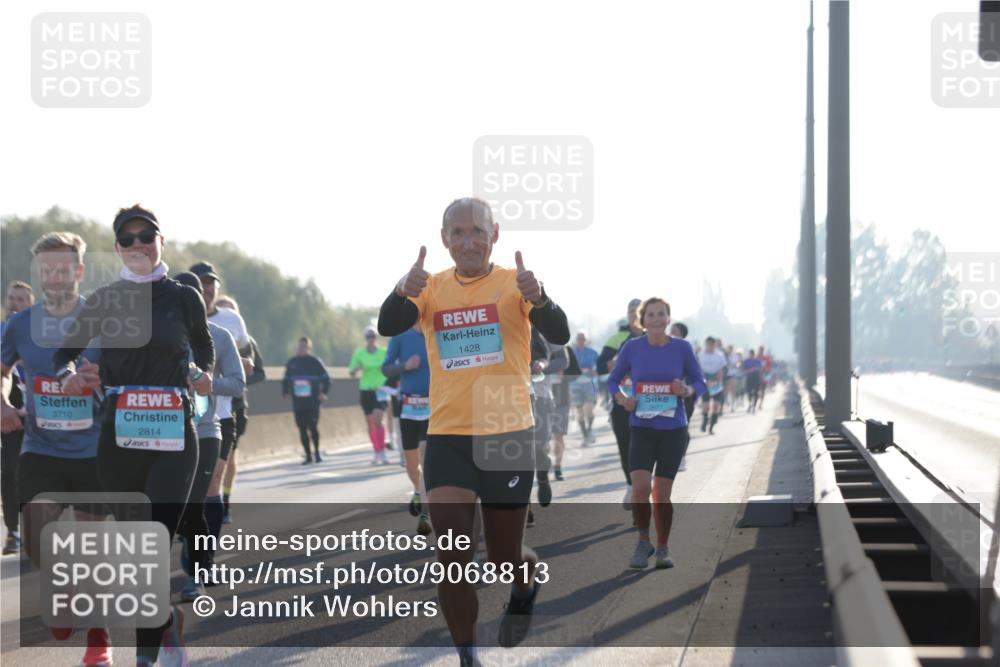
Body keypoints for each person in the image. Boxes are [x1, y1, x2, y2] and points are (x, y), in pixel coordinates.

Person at [377, 197, 569, 663]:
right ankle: (467, 654)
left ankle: (524, 586)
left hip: (506, 433)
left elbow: (559, 332)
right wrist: (401, 288)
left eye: (477, 231)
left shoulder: (514, 283)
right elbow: (387, 325)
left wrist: (540, 296)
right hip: (447, 437)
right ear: (444, 239)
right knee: (453, 557)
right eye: (457, 233)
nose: (468, 241)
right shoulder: (430, 288)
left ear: (495, 234)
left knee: (505, 559)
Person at [55, 205, 214, 666]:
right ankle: (165, 623)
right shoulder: (104, 299)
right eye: (127, 239)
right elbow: (65, 354)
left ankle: (145, 657)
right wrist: (72, 376)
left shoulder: (184, 297)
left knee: (151, 542)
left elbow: (203, 349)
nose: (138, 244)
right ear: (118, 248)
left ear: (161, 242)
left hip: (174, 434)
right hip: (120, 435)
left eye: (147, 236)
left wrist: (202, 374)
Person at [1, 236, 112, 666]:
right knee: (34, 530)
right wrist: (3, 402)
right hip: (41, 448)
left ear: (79, 272)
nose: (54, 278)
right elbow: (2, 370)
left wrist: (101, 377)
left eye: (63, 270)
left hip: (93, 452)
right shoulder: (21, 324)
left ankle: (99, 640)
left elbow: (126, 369)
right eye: (46, 270)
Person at [607, 297, 704, 570]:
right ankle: (642, 541)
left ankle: (663, 547)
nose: (656, 319)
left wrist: (686, 391)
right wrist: (623, 399)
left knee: (661, 493)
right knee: (640, 487)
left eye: (661, 314)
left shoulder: (682, 348)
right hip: (642, 427)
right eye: (650, 315)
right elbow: (613, 380)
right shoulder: (632, 347)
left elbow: (700, 381)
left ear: (668, 318)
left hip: (673, 430)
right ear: (642, 320)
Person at [171, 272, 245, 602]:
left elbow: (238, 384)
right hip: (159, 433)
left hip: (204, 430)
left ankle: (196, 575)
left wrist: (207, 383)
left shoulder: (220, 336)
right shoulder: (158, 337)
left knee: (198, 500)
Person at [189, 262, 255, 536]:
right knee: (189, 488)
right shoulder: (171, 323)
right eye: (200, 285)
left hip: (221, 415)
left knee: (213, 480)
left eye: (210, 285)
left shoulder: (228, 324)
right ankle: (191, 532)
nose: (206, 290)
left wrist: (237, 366)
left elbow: (246, 359)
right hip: (177, 417)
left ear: (216, 288)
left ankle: (205, 555)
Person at [213, 296, 265, 524]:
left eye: (231, 313)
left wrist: (240, 376)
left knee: (229, 456)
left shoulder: (247, 342)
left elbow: (260, 372)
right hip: (212, 402)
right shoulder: (209, 335)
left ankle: (224, 501)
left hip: (236, 404)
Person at [382, 323, 432, 535]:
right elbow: (386, 368)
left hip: (433, 404)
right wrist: (405, 366)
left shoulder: (435, 331)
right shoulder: (400, 337)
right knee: (411, 464)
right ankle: (418, 491)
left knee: (424, 454)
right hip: (409, 406)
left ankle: (426, 514)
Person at [596, 299, 643, 510]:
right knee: (626, 449)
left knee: (646, 449)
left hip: (651, 403)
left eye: (638, 310)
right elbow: (600, 365)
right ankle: (631, 486)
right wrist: (619, 364)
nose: (634, 314)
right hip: (622, 401)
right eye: (631, 311)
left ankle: (643, 489)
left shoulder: (655, 338)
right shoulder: (618, 338)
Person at [1, 280, 33, 555]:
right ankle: (13, 531)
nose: (15, 303)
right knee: (9, 472)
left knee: (31, 472)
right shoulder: (1, 332)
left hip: (38, 410)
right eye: (12, 298)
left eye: (21, 299)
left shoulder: (38, 333)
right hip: (9, 410)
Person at [282, 336, 330, 464]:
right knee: (302, 428)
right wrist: (286, 392)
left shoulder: (315, 362)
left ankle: (317, 452)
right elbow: (286, 380)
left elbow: (326, 378)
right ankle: (308, 455)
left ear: (309, 348)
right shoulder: (292, 362)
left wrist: (323, 393)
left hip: (313, 401)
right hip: (298, 402)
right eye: (300, 346)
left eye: (304, 346)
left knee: (313, 426)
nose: (301, 348)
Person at [350, 327, 390, 464]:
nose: (370, 339)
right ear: (365, 339)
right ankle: (376, 451)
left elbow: (390, 369)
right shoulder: (359, 353)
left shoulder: (384, 352)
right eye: (368, 337)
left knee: (377, 419)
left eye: (372, 336)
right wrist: (357, 368)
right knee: (371, 423)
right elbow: (351, 373)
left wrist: (384, 370)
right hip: (365, 390)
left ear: (376, 338)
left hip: (380, 389)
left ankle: (383, 451)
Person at [669, 322, 696, 472]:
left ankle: (682, 457)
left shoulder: (687, 348)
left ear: (682, 334)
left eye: (675, 331)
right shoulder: (662, 347)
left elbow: (695, 375)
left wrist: (689, 391)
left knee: (683, 427)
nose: (671, 333)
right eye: (671, 331)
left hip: (685, 395)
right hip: (667, 396)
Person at [570, 331, 599, 446]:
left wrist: (592, 371)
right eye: (579, 339)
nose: (581, 341)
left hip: (589, 385)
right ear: (576, 340)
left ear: (586, 340)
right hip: (575, 385)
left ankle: (590, 429)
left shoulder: (593, 353)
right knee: (579, 412)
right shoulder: (572, 353)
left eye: (583, 339)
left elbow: (597, 369)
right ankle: (585, 435)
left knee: (589, 410)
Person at [698, 337, 727, 435]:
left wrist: (719, 376)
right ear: (705, 344)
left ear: (714, 345)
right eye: (708, 344)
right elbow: (697, 368)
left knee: (716, 406)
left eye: (712, 344)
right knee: (706, 405)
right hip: (705, 380)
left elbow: (723, 368)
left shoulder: (720, 355)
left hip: (716, 381)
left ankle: (711, 427)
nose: (710, 346)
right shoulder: (700, 354)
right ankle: (705, 420)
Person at [743, 349, 763, 414]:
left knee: (756, 392)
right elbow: (744, 369)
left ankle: (754, 406)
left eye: (752, 354)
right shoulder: (746, 361)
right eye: (750, 354)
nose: (751, 355)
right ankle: (750, 404)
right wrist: (749, 370)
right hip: (749, 378)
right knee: (749, 392)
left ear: (754, 355)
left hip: (756, 378)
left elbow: (760, 368)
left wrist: (755, 369)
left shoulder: (757, 361)